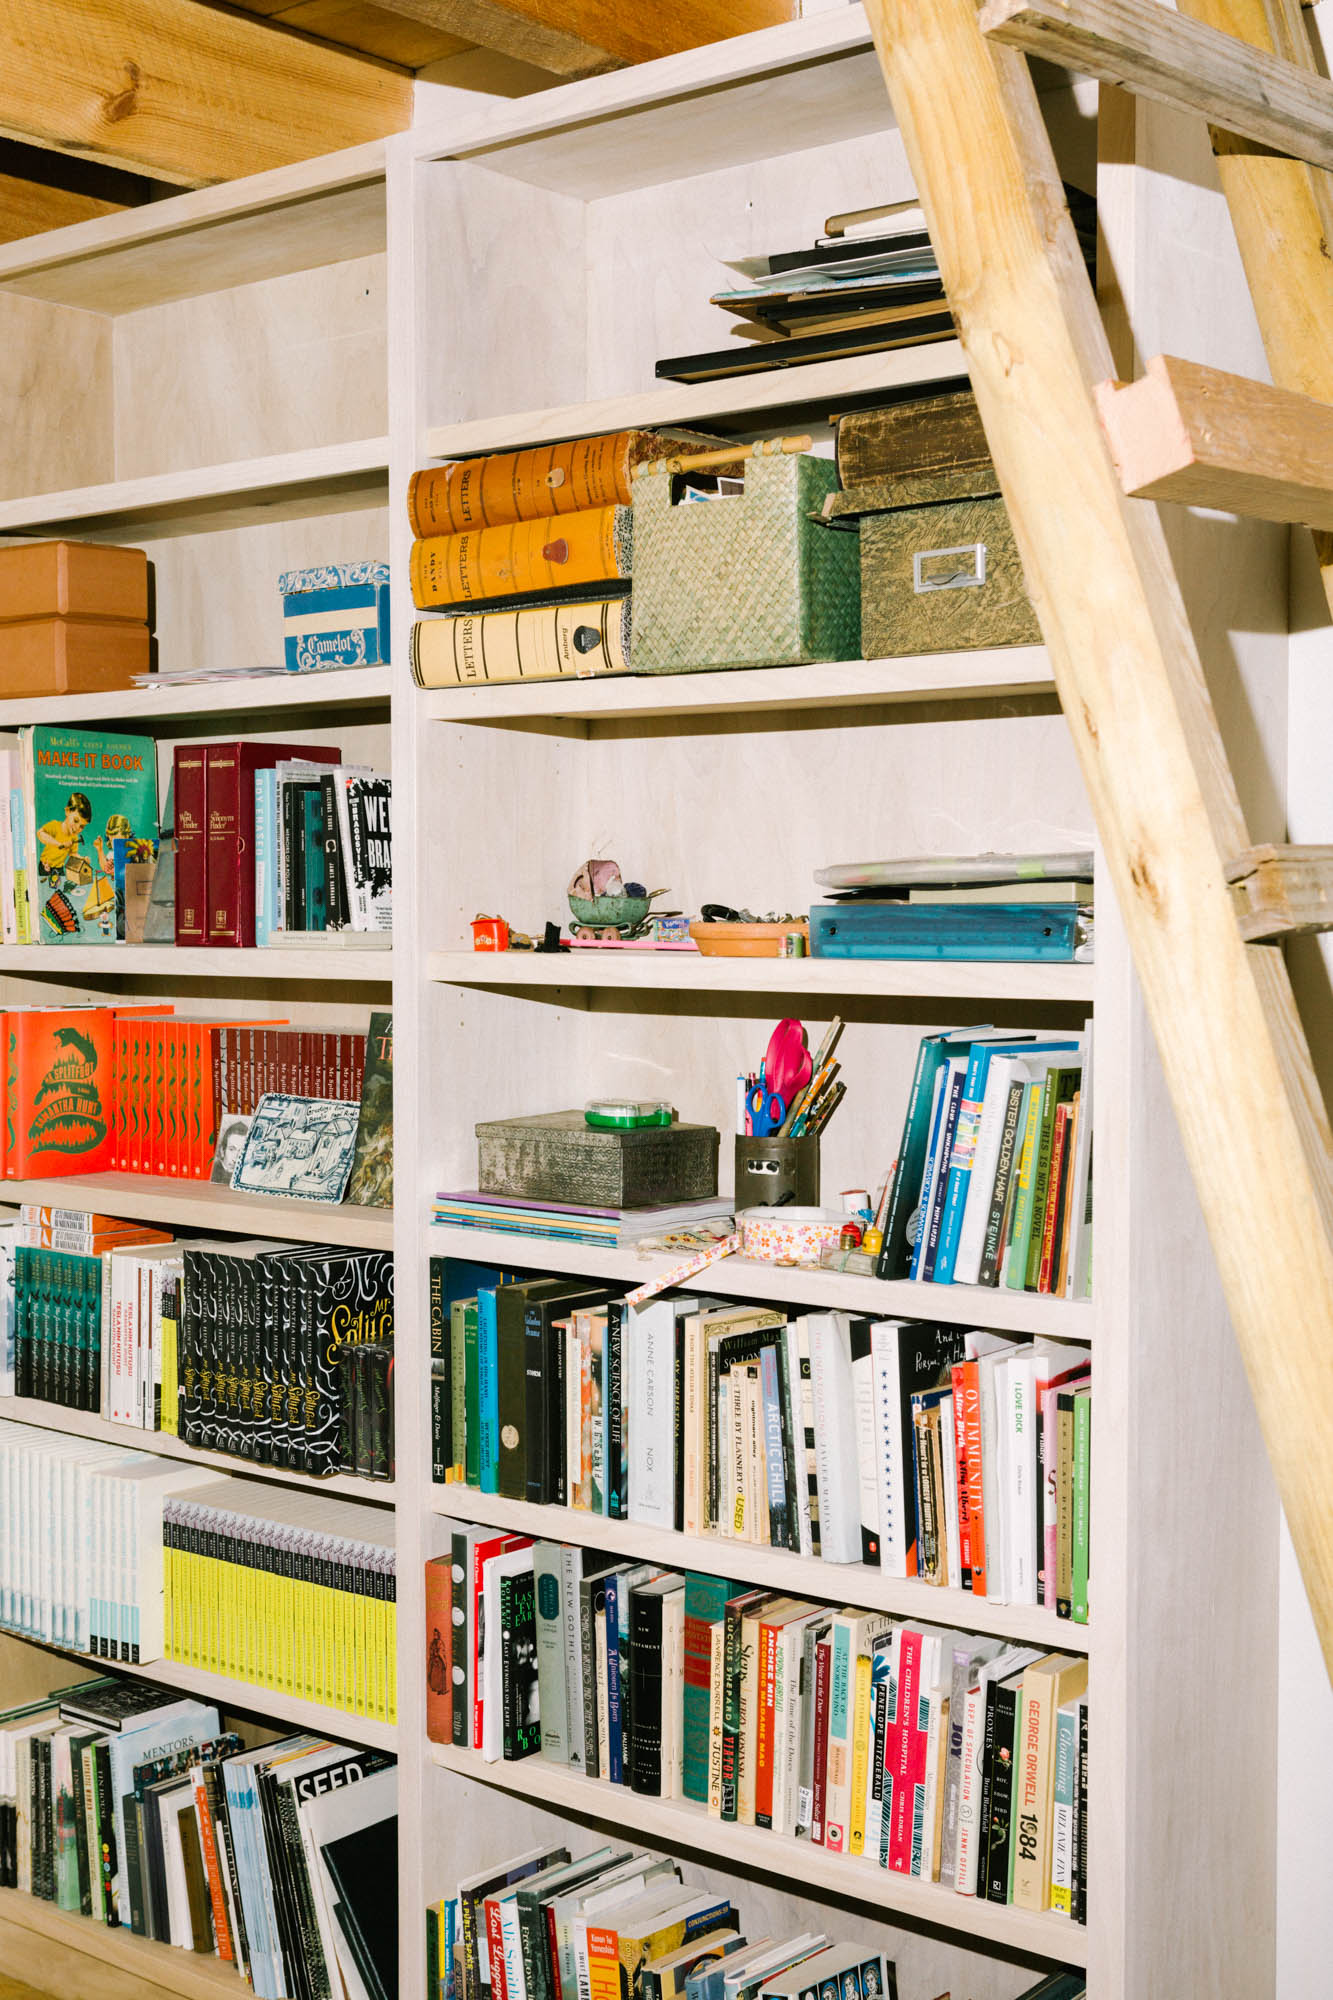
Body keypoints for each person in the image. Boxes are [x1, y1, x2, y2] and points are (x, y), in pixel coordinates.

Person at [39, 792, 93, 886]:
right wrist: (59, 844)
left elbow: (72, 854)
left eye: (82, 826)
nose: (77, 828)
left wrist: (82, 859)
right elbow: (40, 833)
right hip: (45, 867)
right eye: (75, 821)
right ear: (67, 811)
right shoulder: (55, 826)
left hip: (59, 869)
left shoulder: (74, 838)